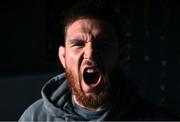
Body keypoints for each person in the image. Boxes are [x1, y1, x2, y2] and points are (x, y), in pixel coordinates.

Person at [19, 0, 178, 121]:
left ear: (122, 55)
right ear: (63, 57)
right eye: (78, 44)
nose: (90, 54)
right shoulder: (34, 117)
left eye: (102, 44)